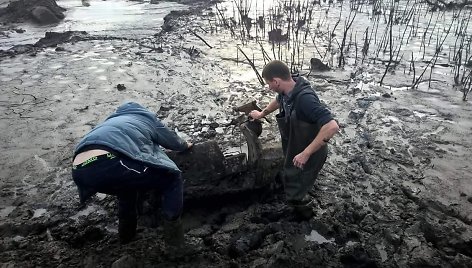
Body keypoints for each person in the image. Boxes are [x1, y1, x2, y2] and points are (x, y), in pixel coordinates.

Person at [72, 101, 192, 245]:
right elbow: (172, 141)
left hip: (79, 171)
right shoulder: (146, 118)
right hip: (108, 161)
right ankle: (175, 242)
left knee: (126, 190)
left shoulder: (111, 121)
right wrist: (185, 145)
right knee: (172, 178)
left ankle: (126, 237)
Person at [249, 60, 339, 219]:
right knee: (289, 175)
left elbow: (332, 126)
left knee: (297, 187)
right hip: (295, 145)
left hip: (310, 152)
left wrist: (306, 153)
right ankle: (296, 201)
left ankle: (305, 217)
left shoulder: (305, 99)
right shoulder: (288, 89)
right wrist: (262, 113)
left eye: (269, 83)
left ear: (276, 81)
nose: (269, 87)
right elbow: (279, 100)